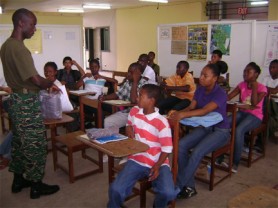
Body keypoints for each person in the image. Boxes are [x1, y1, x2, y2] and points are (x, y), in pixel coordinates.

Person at [0, 8, 60, 199]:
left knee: (19, 143)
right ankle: (36, 185)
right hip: (26, 103)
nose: (34, 28)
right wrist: (50, 82)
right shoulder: (19, 48)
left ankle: (18, 180)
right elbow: (35, 80)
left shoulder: (6, 45)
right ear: (21, 23)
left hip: (16, 100)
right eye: (33, 24)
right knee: (36, 144)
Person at [107, 84, 177, 208]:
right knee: (116, 189)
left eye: (140, 95)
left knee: (168, 192)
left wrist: (157, 166)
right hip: (137, 159)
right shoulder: (134, 111)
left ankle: (158, 205)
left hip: (157, 161)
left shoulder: (161, 122)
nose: (137, 98)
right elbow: (129, 122)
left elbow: (167, 149)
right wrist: (129, 127)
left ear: (151, 101)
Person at [169, 63, 230, 199]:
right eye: (201, 74)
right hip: (205, 127)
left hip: (221, 131)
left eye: (205, 75)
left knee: (197, 152)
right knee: (181, 145)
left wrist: (183, 115)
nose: (201, 78)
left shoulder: (220, 93)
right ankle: (189, 186)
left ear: (215, 78)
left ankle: (177, 186)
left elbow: (204, 111)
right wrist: (177, 114)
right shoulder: (200, 89)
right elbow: (191, 107)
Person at [228, 62, 267, 173]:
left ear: (256, 74)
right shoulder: (242, 84)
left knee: (239, 130)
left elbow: (254, 104)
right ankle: (221, 154)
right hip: (243, 113)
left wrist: (254, 87)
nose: (245, 74)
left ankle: (235, 162)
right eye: (244, 71)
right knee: (225, 123)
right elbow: (229, 96)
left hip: (256, 116)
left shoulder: (262, 88)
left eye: (248, 72)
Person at [99, 62, 147, 129]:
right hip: (127, 112)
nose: (128, 74)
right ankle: (115, 138)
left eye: (131, 73)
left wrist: (135, 81)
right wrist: (104, 97)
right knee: (108, 121)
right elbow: (117, 94)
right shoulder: (128, 82)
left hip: (140, 115)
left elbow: (133, 100)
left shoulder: (144, 85)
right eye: (128, 72)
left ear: (138, 74)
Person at [262, 59, 278, 141]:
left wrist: (267, 89)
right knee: (266, 118)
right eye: (270, 67)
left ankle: (262, 140)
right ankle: (265, 138)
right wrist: (271, 90)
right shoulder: (266, 78)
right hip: (267, 105)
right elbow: (262, 90)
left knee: (268, 101)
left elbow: (275, 91)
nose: (271, 69)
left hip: (276, 105)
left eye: (274, 67)